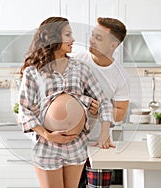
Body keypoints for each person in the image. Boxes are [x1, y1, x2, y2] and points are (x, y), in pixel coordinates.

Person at [18, 16, 113, 188]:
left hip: (77, 145)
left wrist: (104, 132)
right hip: (47, 145)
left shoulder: (80, 68)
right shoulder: (33, 72)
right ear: (53, 38)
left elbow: (104, 102)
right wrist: (47, 134)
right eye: (68, 35)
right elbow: (24, 109)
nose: (73, 40)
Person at [74, 17, 130, 188]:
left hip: (99, 144)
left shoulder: (121, 76)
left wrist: (102, 111)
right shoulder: (75, 58)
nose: (91, 40)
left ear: (113, 45)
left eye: (99, 38)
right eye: (92, 35)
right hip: (69, 144)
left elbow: (120, 112)